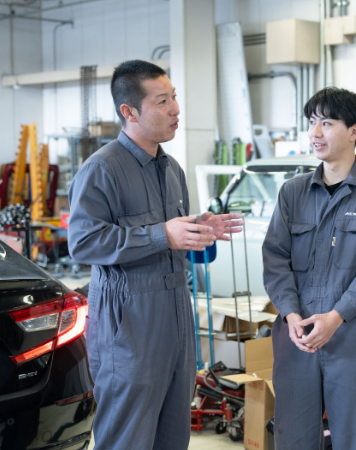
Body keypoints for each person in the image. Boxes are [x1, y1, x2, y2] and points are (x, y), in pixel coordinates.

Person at [68, 60, 243, 449]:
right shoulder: (101, 170)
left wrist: (198, 231)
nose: (176, 109)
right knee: (128, 437)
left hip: (176, 319)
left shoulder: (172, 169)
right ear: (128, 112)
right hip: (129, 325)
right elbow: (83, 242)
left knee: (172, 436)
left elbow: (171, 242)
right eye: (162, 101)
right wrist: (161, 234)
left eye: (174, 97)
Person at [262, 87, 356, 449]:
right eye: (312, 122)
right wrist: (291, 314)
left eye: (327, 122)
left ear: (354, 130)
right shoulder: (292, 193)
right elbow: (275, 258)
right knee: (292, 439)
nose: (315, 133)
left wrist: (336, 317)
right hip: (297, 338)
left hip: (352, 337)